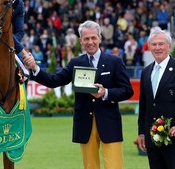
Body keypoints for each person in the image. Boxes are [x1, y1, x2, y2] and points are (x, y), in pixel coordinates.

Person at [24, 20, 134, 169]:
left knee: (114, 166)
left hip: (110, 122)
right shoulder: (76, 62)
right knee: (90, 166)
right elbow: (54, 80)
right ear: (81, 41)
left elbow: (127, 90)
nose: (90, 42)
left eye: (93, 38)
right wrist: (35, 68)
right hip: (85, 124)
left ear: (100, 38)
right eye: (86, 39)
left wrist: (105, 93)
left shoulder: (114, 61)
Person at [137, 29, 175, 169]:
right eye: (154, 44)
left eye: (161, 44)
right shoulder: (146, 72)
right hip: (152, 139)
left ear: (169, 46)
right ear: (149, 47)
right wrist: (141, 132)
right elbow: (144, 105)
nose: (157, 48)